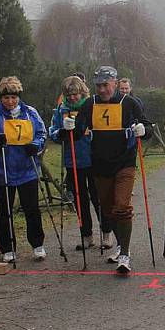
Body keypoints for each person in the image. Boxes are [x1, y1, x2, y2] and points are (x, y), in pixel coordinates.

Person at [64, 66, 152, 274]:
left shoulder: (128, 103)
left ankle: (125, 254)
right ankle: (121, 244)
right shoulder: (89, 104)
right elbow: (77, 132)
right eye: (98, 86)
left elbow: (148, 127)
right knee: (108, 209)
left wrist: (143, 130)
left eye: (106, 85)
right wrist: (68, 127)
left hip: (125, 162)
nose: (102, 90)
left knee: (122, 205)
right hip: (100, 164)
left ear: (114, 82)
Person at [0, 76, 48, 262]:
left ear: (18, 96)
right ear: (1, 98)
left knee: (32, 208)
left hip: (26, 168)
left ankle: (37, 244)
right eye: (6, 98)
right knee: (5, 210)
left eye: (13, 97)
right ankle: (7, 247)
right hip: (2, 170)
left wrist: (35, 145)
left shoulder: (30, 112)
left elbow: (41, 133)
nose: (10, 102)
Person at [49, 75, 109, 251]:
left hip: (93, 158)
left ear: (82, 92)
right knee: (79, 199)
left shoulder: (92, 106)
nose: (73, 98)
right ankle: (87, 235)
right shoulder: (61, 109)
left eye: (75, 94)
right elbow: (52, 131)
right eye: (69, 95)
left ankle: (106, 233)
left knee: (98, 198)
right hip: (73, 160)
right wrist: (61, 133)